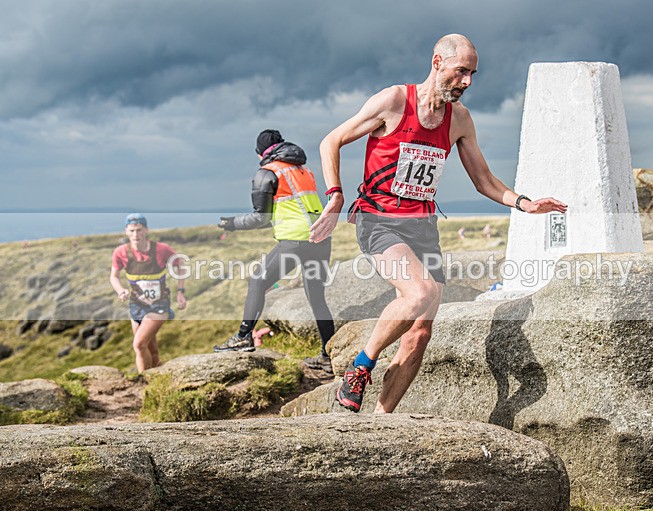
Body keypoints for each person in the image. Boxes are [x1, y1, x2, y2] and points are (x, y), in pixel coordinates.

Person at [309, 34, 568, 413]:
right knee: (419, 294)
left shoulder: (459, 120)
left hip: (422, 226)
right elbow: (331, 141)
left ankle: (380, 421)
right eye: (461, 71)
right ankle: (360, 367)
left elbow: (484, 180)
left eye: (472, 74)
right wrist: (335, 194)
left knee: (420, 333)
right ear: (436, 63)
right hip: (379, 221)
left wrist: (525, 204)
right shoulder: (394, 101)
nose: (467, 82)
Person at [212, 129, 336, 374]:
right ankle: (328, 356)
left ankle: (243, 337)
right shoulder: (303, 170)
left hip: (295, 240)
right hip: (320, 238)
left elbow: (261, 217)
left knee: (257, 280)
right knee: (317, 298)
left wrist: (233, 224)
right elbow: (291, 210)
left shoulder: (266, 173)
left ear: (260, 153)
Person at [109, 213, 187, 372]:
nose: (135, 234)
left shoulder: (161, 250)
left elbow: (181, 265)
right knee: (151, 351)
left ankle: (143, 384)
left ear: (146, 230)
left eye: (139, 230)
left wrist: (180, 292)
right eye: (131, 231)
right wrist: (120, 290)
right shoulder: (121, 252)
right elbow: (114, 276)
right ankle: (160, 378)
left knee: (138, 345)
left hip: (158, 305)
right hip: (136, 306)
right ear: (126, 231)